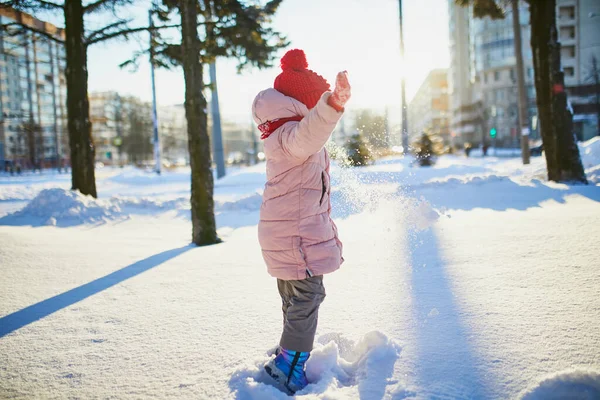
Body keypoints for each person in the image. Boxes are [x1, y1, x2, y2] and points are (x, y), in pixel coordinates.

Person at [252, 49, 350, 394]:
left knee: (295, 298)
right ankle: (288, 366)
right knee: (308, 295)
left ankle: (286, 352)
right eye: (313, 104)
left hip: (286, 234)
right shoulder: (294, 137)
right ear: (304, 105)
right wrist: (332, 104)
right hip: (296, 237)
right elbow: (312, 131)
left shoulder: (281, 134)